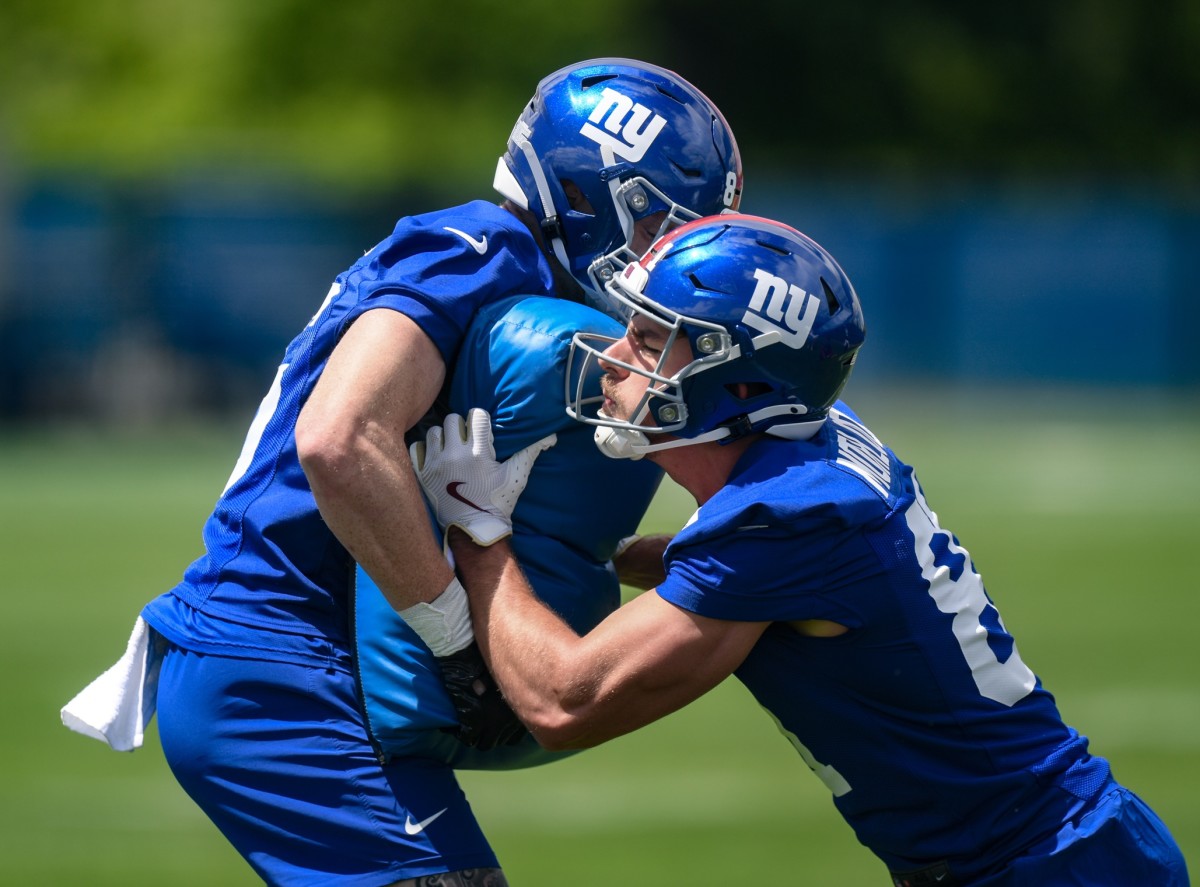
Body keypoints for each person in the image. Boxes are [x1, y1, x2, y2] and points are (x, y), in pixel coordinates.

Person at [60, 58, 741, 886]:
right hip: (277, 657)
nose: (661, 256)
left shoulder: (509, 271)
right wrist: (456, 638)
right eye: (656, 227)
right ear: (589, 192)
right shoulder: (479, 248)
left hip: (297, 655)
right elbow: (339, 439)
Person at [411, 214, 1191, 886]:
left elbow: (563, 701)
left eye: (652, 339)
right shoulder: (803, 455)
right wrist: (603, 553)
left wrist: (480, 536)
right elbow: (721, 565)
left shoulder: (786, 519)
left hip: (1048, 866)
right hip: (1051, 851)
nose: (617, 358)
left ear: (739, 384)